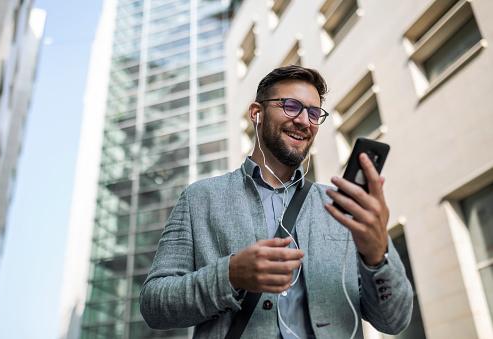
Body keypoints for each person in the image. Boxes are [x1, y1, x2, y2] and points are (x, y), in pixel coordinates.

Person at [140, 65, 413, 338]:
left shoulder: (342, 207)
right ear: (256, 114)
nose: (305, 121)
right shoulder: (199, 198)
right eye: (291, 106)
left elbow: (395, 320)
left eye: (314, 113)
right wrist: (230, 275)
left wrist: (377, 258)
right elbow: (153, 305)